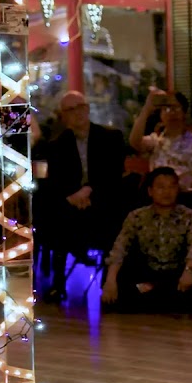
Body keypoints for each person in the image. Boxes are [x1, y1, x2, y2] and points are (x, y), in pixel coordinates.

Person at [42, 91, 126, 303]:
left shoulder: (111, 137)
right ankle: (58, 284)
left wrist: (89, 190)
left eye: (80, 107)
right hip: (71, 203)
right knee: (55, 210)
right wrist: (71, 196)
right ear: (64, 116)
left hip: (104, 198)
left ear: (87, 109)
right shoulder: (57, 145)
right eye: (70, 110)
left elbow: (113, 173)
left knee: (112, 212)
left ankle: (110, 283)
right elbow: (55, 181)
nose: (77, 113)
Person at [102, 167, 192, 312]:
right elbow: (119, 248)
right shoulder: (137, 216)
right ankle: (154, 291)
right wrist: (110, 280)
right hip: (148, 272)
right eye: (161, 187)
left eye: (172, 186)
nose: (167, 192)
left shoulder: (190, 215)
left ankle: (156, 292)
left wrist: (188, 270)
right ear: (150, 191)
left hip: (177, 273)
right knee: (123, 290)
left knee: (191, 291)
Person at [130, 89, 192, 189]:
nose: (171, 113)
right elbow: (134, 142)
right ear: (161, 114)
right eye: (166, 109)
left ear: (184, 112)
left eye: (176, 108)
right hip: (157, 196)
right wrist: (147, 109)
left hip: (186, 196)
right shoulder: (155, 141)